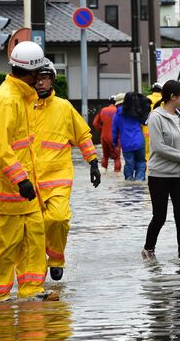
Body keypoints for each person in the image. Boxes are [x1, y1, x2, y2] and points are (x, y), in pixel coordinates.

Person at [0, 41, 56, 301]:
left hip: (24, 189)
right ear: (31, 73)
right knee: (7, 245)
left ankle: (32, 290)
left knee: (34, 239)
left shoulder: (21, 97)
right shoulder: (7, 100)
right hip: (9, 190)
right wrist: (20, 179)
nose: (41, 80)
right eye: (39, 74)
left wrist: (28, 181)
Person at [33, 58, 101, 282]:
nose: (40, 83)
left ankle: (55, 258)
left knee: (58, 219)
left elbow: (82, 135)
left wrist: (92, 161)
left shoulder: (63, 107)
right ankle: (36, 263)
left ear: (52, 80)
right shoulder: (21, 106)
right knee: (34, 225)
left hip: (58, 177)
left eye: (44, 78)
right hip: (27, 178)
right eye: (37, 78)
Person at [142, 80, 180, 260]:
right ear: (172, 97)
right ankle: (148, 249)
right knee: (159, 216)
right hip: (159, 174)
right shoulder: (155, 117)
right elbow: (160, 148)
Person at [112, 92, 147, 181]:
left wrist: (114, 143)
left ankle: (129, 181)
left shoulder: (116, 116)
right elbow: (144, 121)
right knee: (141, 162)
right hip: (139, 142)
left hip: (126, 144)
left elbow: (114, 132)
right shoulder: (135, 112)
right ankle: (139, 181)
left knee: (129, 164)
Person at [93, 95, 121, 172]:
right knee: (117, 158)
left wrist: (102, 130)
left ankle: (104, 174)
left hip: (104, 136)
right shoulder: (118, 111)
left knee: (105, 157)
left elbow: (95, 123)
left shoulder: (102, 110)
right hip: (115, 137)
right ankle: (117, 176)